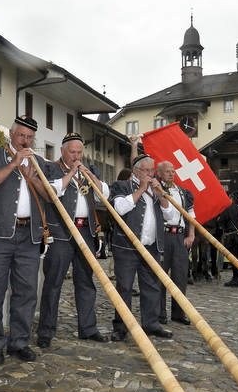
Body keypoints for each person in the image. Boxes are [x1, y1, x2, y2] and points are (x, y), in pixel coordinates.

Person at [0, 115, 49, 365]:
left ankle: (19, 342)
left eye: (29, 137)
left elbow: (49, 196)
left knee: (27, 293)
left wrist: (31, 176)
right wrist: (13, 165)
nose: (25, 141)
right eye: (21, 136)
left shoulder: (38, 162)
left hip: (29, 237)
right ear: (11, 134)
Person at [36, 133, 110, 348]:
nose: (76, 156)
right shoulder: (52, 168)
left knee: (86, 282)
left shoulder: (89, 170)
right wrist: (71, 172)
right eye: (72, 153)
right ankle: (46, 331)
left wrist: (89, 175)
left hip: (85, 231)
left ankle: (88, 328)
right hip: (60, 233)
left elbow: (103, 195)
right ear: (62, 152)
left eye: (79, 153)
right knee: (53, 283)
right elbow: (53, 192)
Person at [109, 154, 179, 340]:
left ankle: (151, 324)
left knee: (152, 287)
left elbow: (171, 216)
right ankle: (121, 326)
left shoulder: (158, 189)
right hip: (126, 247)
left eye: (152, 171)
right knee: (124, 287)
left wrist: (160, 196)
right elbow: (119, 209)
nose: (150, 174)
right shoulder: (122, 186)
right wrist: (141, 189)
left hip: (152, 247)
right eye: (147, 171)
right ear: (136, 171)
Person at [156, 160, 195, 325]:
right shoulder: (156, 190)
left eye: (173, 171)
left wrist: (191, 234)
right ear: (159, 173)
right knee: (161, 277)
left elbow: (191, 214)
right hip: (163, 235)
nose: (171, 174)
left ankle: (179, 313)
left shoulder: (183, 192)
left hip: (179, 236)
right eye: (167, 171)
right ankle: (159, 313)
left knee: (180, 277)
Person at [219, 191, 238, 288]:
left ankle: (236, 279)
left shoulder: (229, 208)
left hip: (232, 236)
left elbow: (222, 220)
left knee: (234, 258)